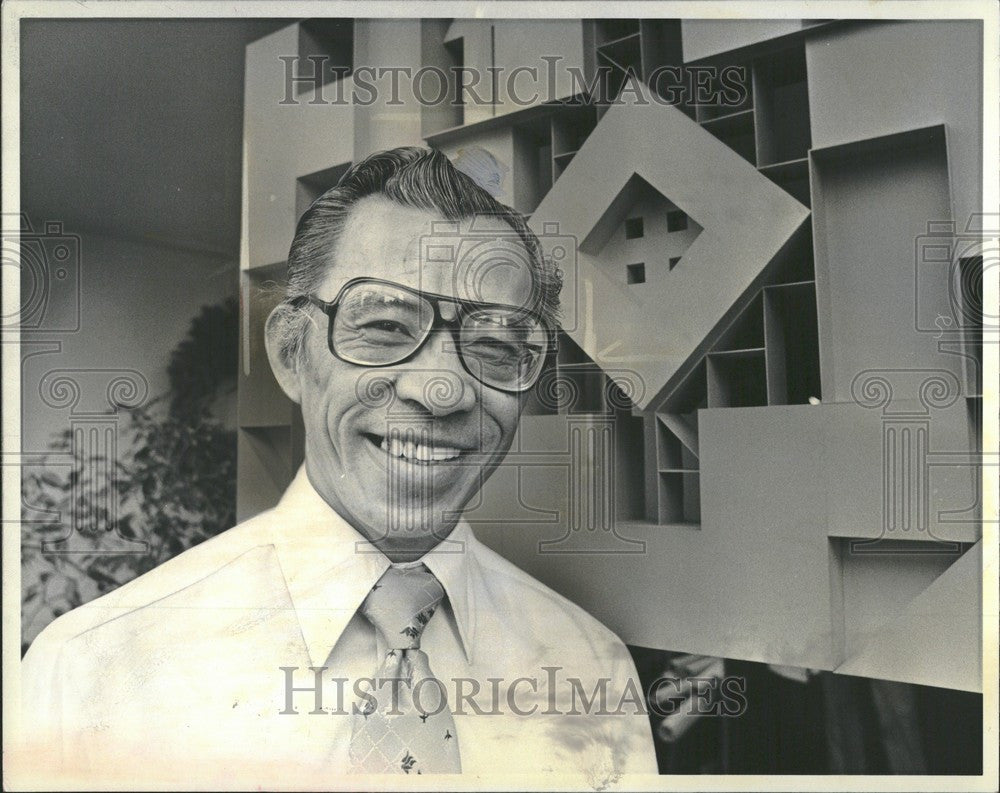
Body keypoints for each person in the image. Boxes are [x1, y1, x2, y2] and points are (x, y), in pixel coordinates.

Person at [19, 147, 658, 786]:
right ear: (292, 353)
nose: (442, 390)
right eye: (382, 326)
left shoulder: (589, 667)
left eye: (493, 344)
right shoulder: (94, 671)